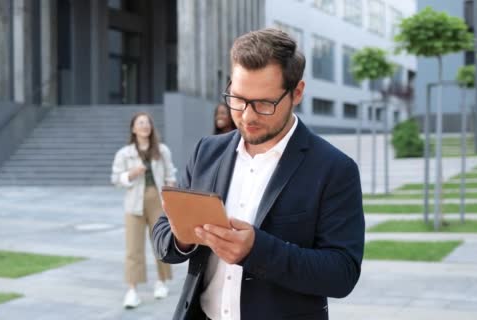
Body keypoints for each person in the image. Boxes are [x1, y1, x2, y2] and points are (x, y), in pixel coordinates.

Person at [152, 28, 365, 320]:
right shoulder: (206, 152)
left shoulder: (334, 169)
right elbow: (163, 235)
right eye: (238, 99)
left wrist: (257, 251)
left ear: (297, 93)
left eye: (264, 103)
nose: (247, 116)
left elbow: (342, 274)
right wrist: (183, 238)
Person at [111, 112, 177, 309]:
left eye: (147, 123)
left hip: (158, 200)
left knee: (161, 242)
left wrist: (172, 191)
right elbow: (116, 179)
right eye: (140, 123)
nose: (144, 126)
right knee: (133, 247)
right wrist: (132, 173)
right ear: (133, 128)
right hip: (134, 203)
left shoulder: (162, 150)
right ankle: (132, 290)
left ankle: (162, 282)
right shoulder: (124, 153)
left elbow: (170, 174)